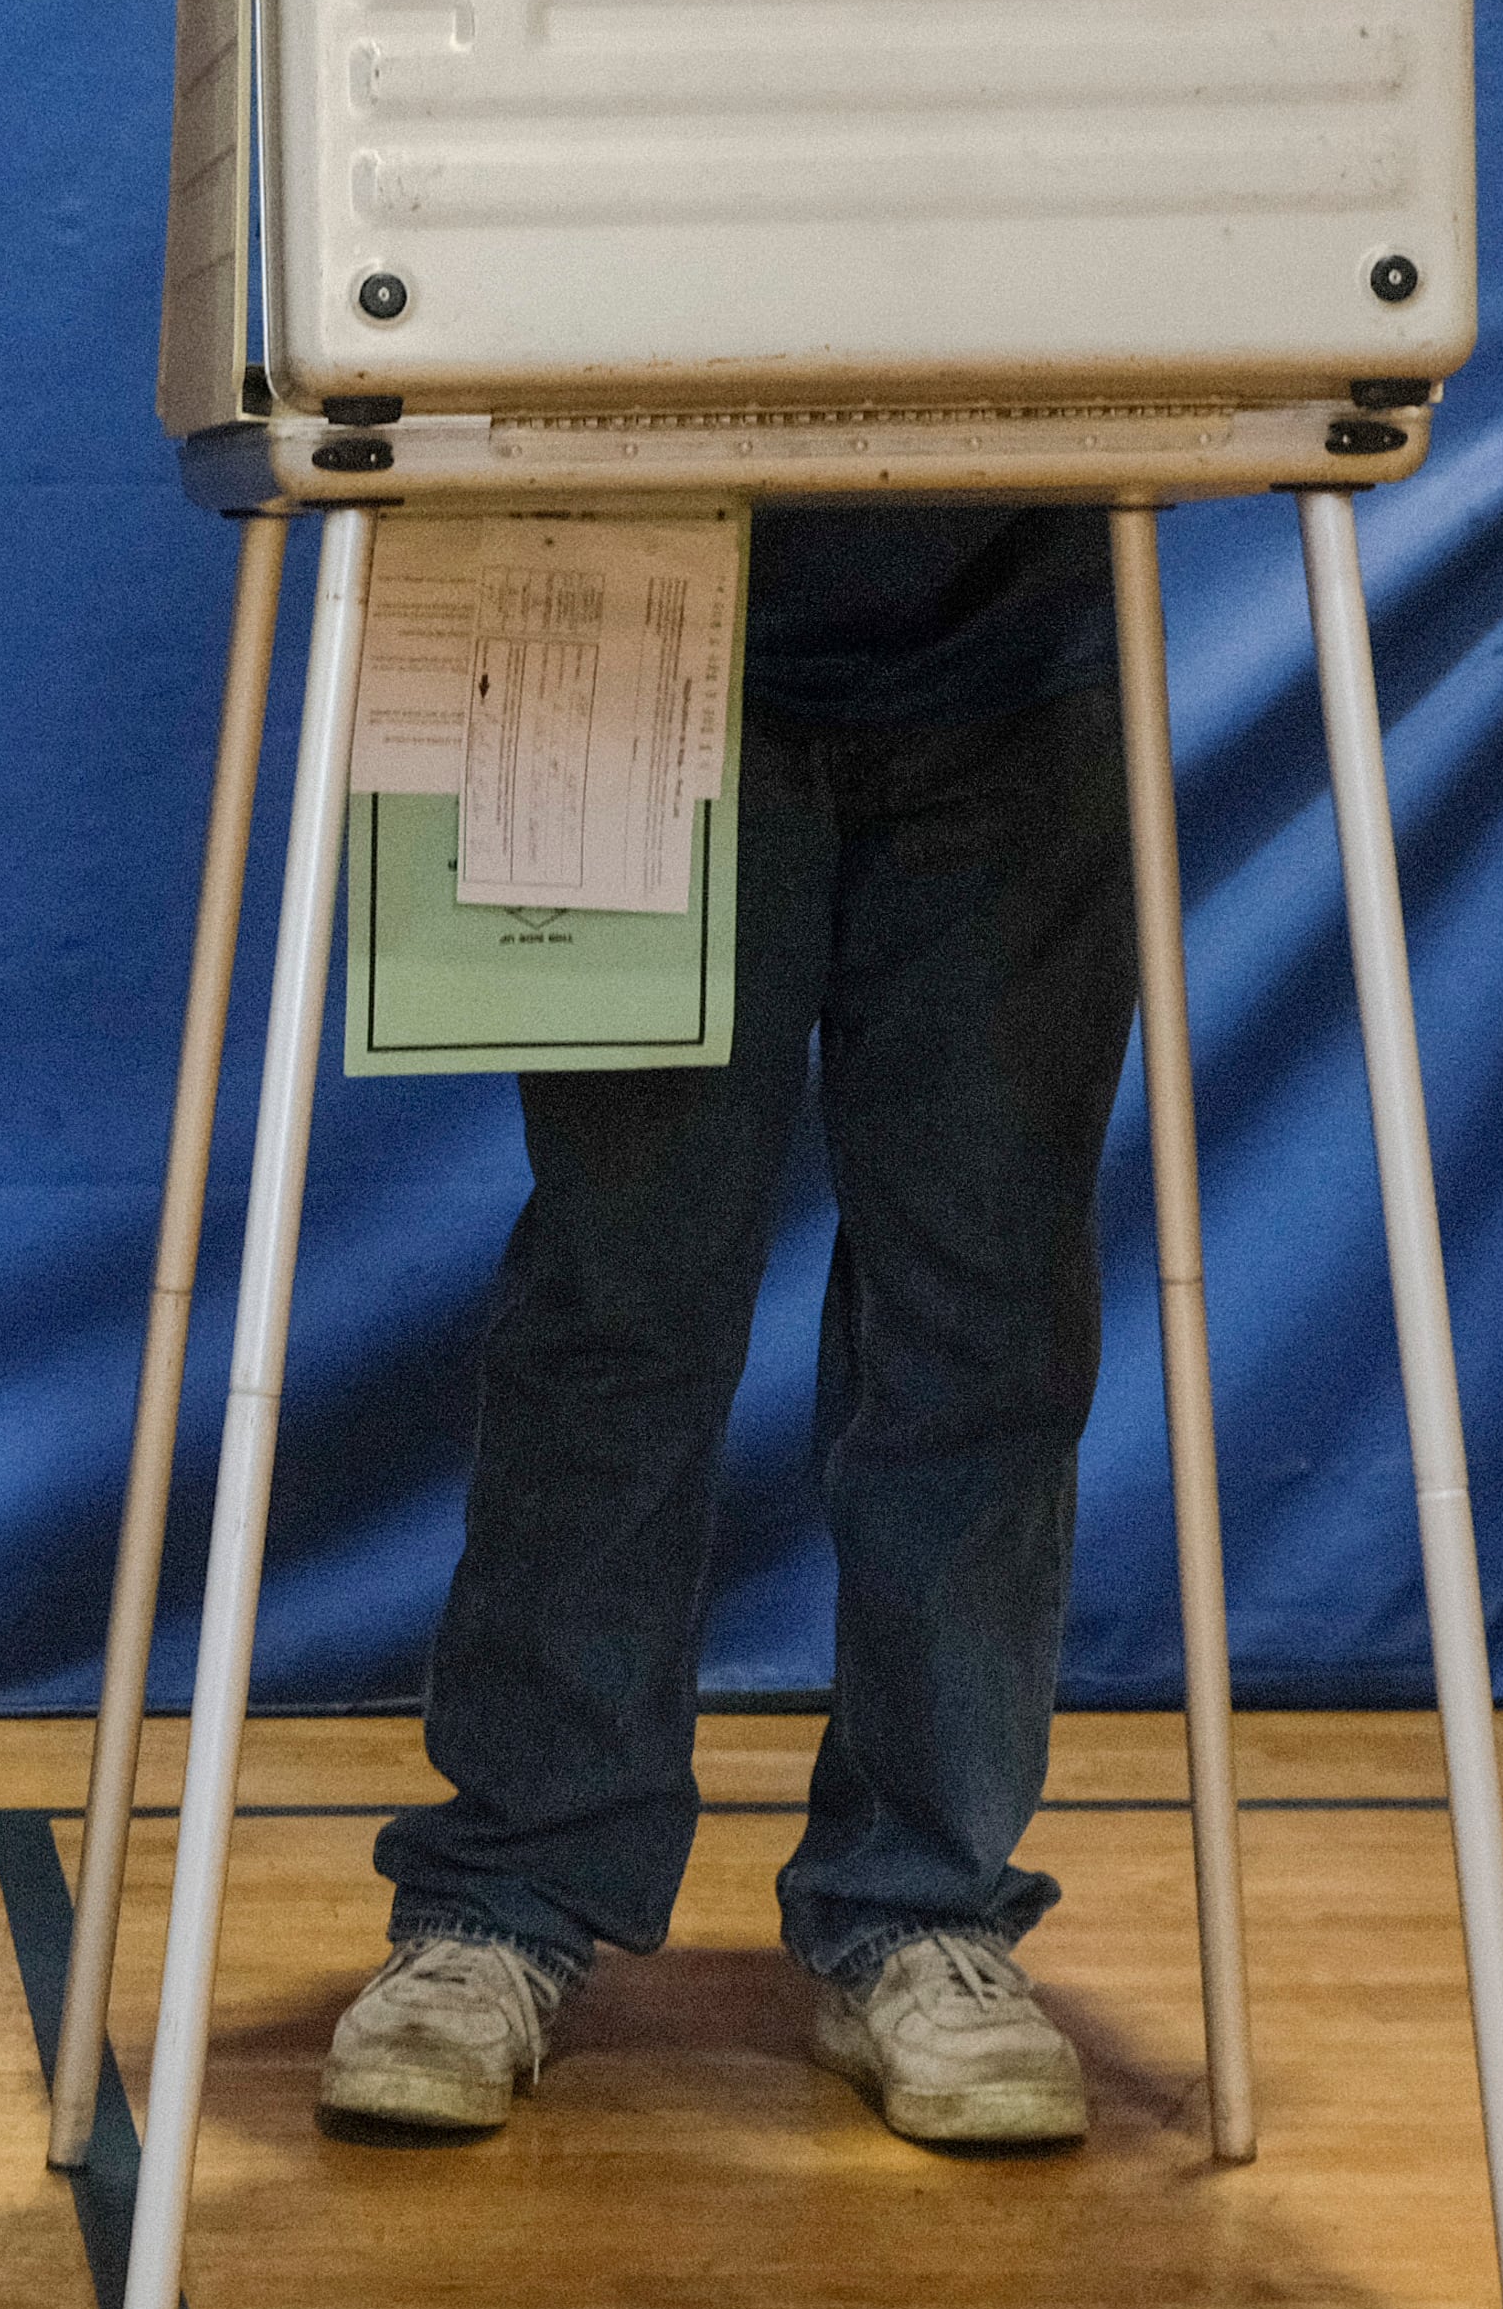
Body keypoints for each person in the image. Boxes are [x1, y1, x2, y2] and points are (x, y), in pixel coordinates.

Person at [331, 505, 1134, 2150]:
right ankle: (509, 1892)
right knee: (620, 1302)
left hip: (1014, 656)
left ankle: (923, 1908)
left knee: (984, 1316)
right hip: (632, 628)